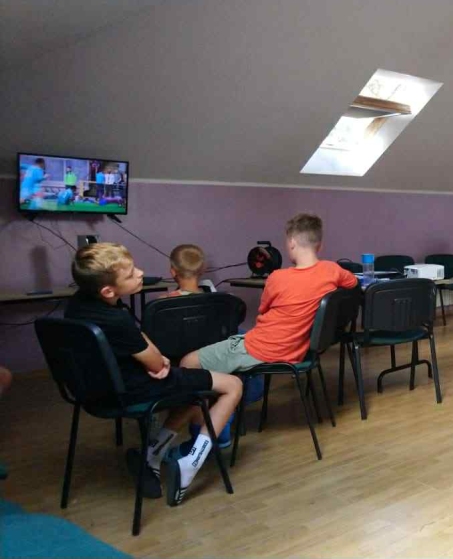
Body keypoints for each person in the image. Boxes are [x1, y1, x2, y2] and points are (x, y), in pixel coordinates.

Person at [64, 243, 242, 505]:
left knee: (194, 389)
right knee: (232, 385)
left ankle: (153, 453)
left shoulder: (79, 304)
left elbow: (137, 337)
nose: (140, 273)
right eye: (130, 274)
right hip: (130, 390)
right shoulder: (117, 321)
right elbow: (156, 365)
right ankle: (191, 464)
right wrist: (159, 360)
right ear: (108, 290)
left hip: (92, 391)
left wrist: (155, 357)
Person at [179, 213, 358, 374]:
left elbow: (263, 311)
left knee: (187, 362)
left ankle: (220, 398)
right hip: (296, 350)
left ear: (292, 242)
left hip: (263, 348)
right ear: (319, 246)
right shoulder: (332, 270)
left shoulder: (277, 278)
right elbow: (353, 283)